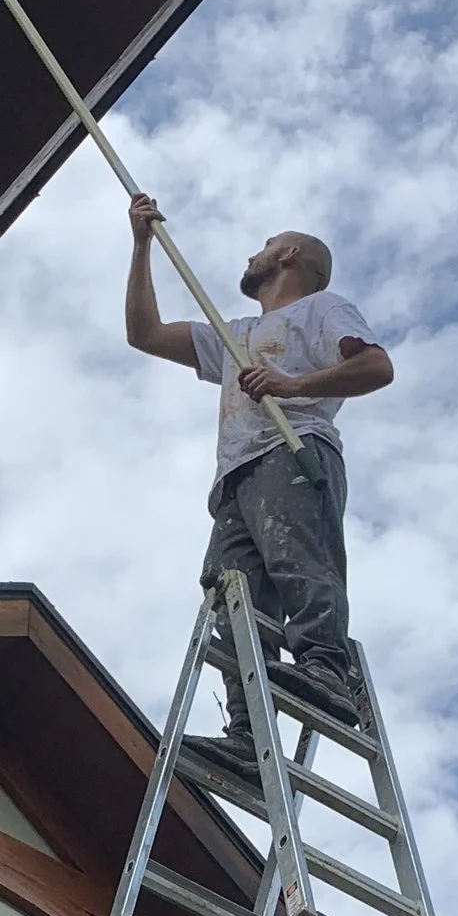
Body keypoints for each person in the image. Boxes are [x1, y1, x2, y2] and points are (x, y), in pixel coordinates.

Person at [123, 193, 393, 740]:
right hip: (236, 476)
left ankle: (324, 668)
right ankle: (250, 729)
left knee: (299, 560)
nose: (255, 255)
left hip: (293, 449)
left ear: (290, 255)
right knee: (231, 595)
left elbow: (375, 365)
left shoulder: (321, 309)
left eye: (266, 246)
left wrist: (292, 385)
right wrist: (141, 245)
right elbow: (145, 334)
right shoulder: (233, 336)